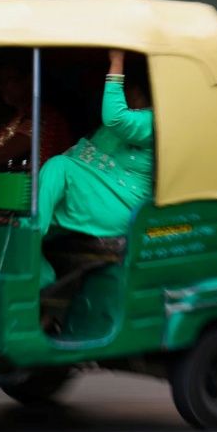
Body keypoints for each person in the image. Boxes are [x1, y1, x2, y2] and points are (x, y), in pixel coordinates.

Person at [36, 49, 153, 286]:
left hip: (120, 205)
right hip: (96, 199)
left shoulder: (150, 121)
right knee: (47, 205)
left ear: (134, 87)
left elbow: (115, 118)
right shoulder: (119, 126)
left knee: (59, 167)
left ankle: (27, 253)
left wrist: (116, 60)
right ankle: (42, 277)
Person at [0, 65, 72, 170]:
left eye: (9, 80)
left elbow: (3, 155)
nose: (2, 87)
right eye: (1, 82)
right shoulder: (17, 119)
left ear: (29, 80)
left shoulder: (41, 116)